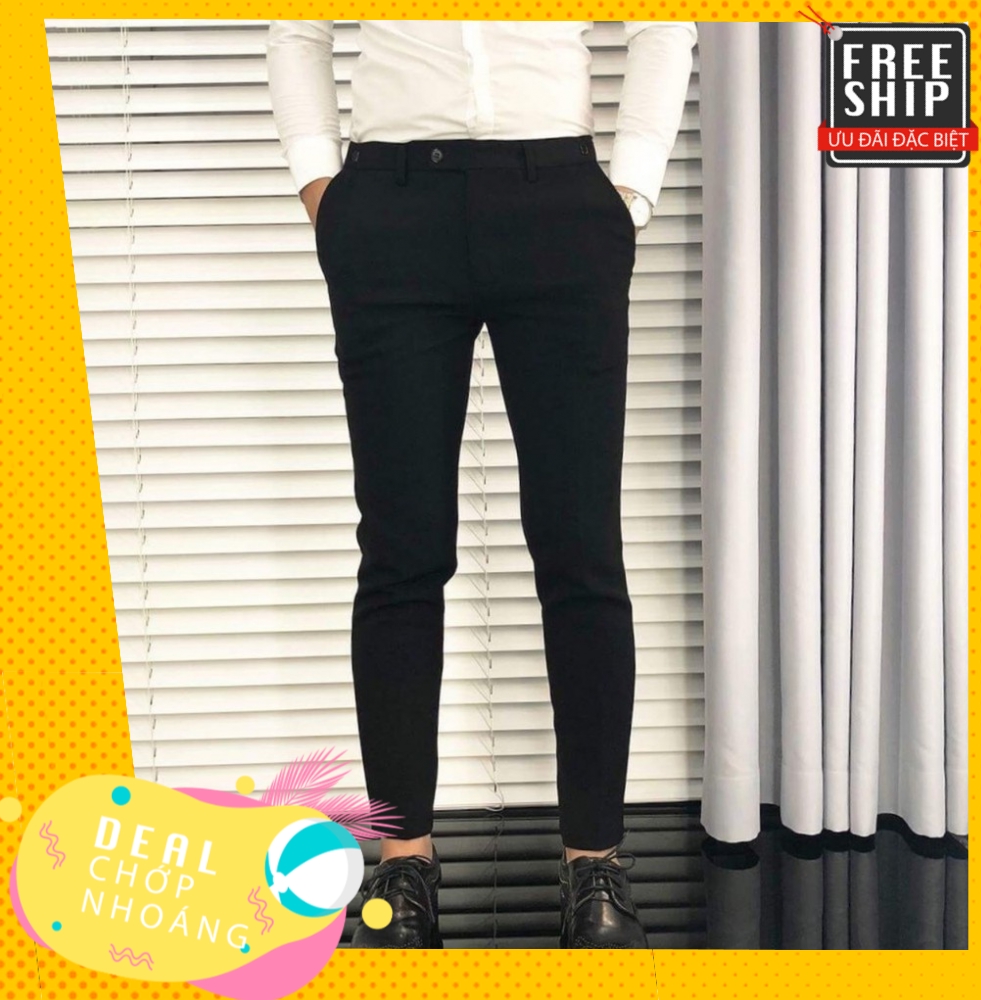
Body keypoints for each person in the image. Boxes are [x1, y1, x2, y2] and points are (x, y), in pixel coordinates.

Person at [265, 18, 697, 949]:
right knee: (401, 551)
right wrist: (320, 187)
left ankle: (595, 863)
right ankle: (404, 862)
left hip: (560, 203)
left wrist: (631, 191)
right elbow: (296, 28)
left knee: (581, 549)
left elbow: (664, 24)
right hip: (389, 207)